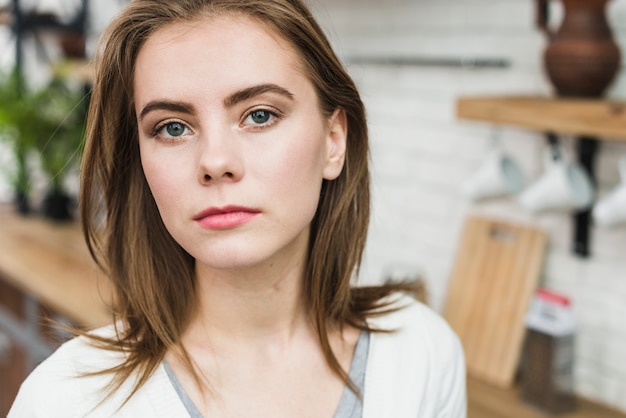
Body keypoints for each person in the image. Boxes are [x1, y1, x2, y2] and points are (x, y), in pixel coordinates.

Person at [9, 0, 466, 417]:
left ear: (333, 142)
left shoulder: (423, 355)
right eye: (172, 128)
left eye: (260, 115)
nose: (215, 162)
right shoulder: (64, 402)